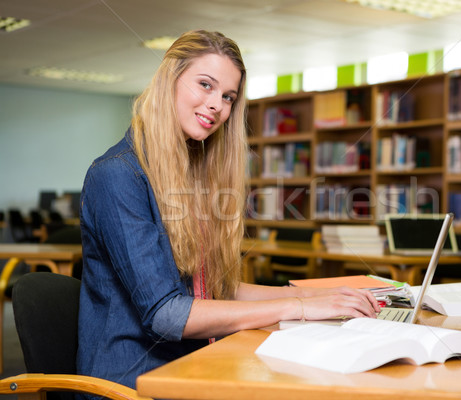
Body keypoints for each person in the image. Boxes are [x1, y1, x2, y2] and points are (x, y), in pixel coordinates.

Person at [77, 29, 380, 390]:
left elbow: (213, 292)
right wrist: (298, 308)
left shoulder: (188, 171)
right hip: (132, 379)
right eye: (205, 84)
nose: (217, 105)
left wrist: (314, 297)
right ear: (169, 80)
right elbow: (167, 314)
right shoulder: (117, 175)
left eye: (228, 97)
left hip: (194, 364)